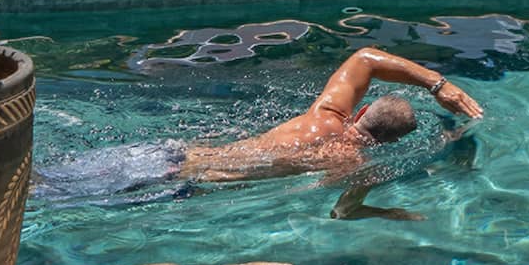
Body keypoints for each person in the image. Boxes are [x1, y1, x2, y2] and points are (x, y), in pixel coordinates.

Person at [178, 46, 482, 183]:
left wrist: (437, 84)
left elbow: (365, 58)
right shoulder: (352, 164)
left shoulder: (325, 115)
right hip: (192, 184)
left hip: (180, 155)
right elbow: (345, 211)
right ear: (388, 144)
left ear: (362, 111)